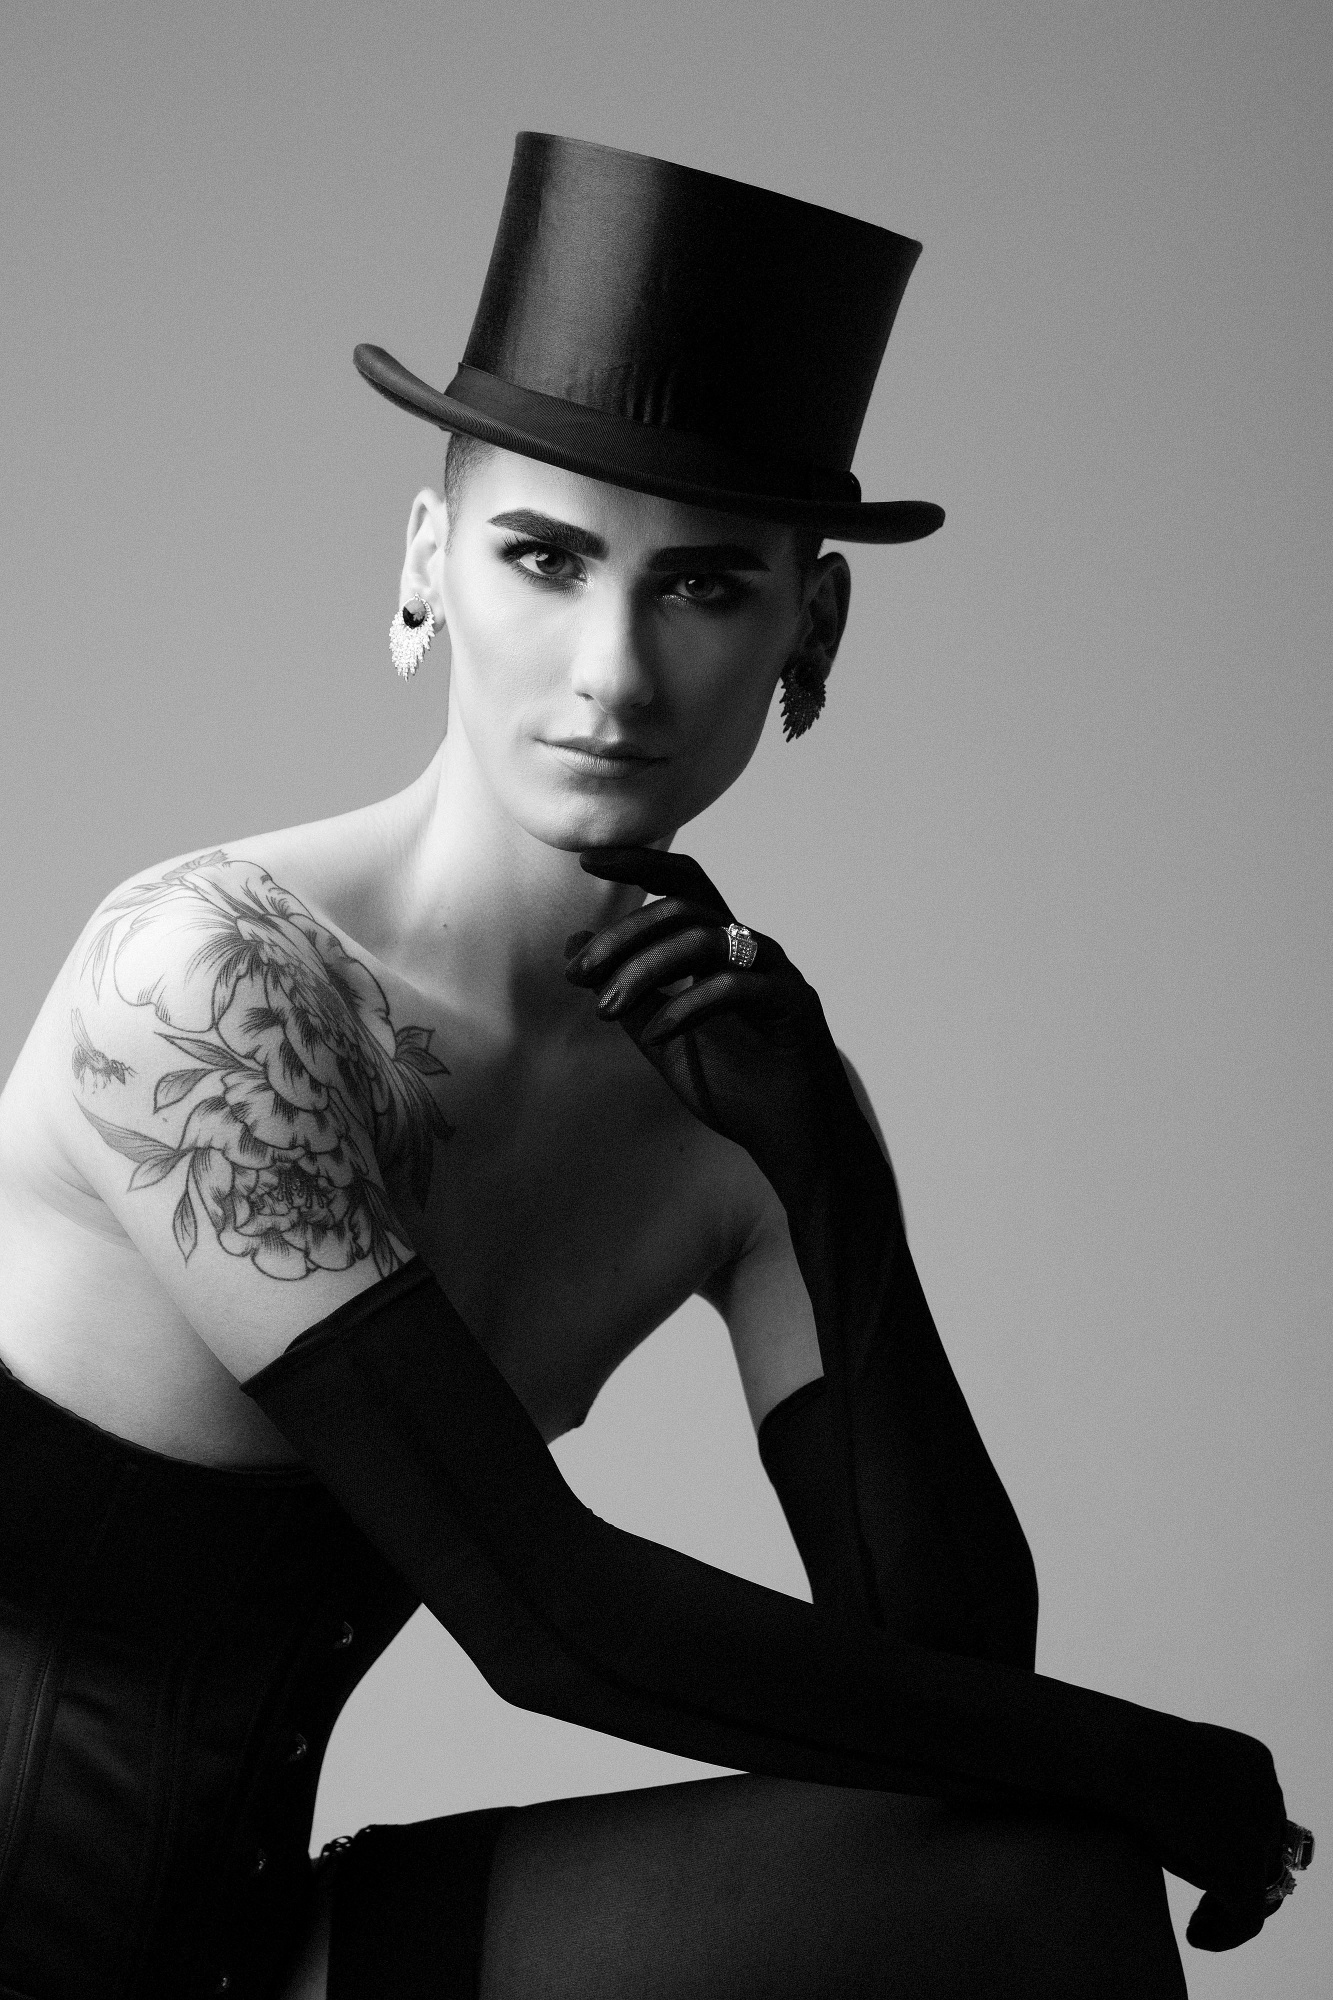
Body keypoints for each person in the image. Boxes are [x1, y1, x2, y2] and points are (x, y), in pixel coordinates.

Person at [0, 134, 1311, 2000]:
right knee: (1068, 1817)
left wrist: (820, 1174)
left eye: (700, 587)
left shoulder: (729, 1094)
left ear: (808, 628)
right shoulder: (209, 982)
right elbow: (541, 1616)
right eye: (543, 560)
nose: (612, 673)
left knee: (1031, 1883)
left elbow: (945, 1702)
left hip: (243, 1946)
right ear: (428, 565)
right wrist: (1149, 1760)